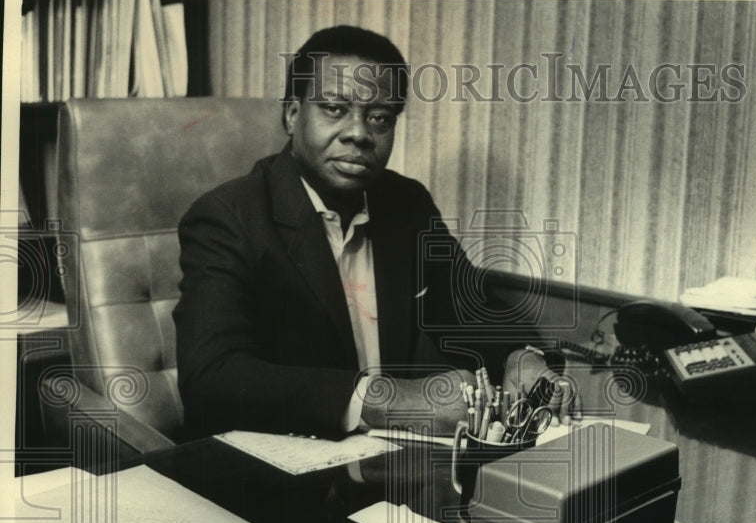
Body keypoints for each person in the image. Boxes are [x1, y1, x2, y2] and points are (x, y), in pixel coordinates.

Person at [174, 25, 564, 440]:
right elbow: (211, 379)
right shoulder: (227, 216)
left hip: (386, 468)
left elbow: (472, 306)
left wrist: (521, 357)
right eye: (335, 109)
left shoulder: (406, 203)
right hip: (273, 471)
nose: (359, 133)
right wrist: (384, 401)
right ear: (291, 115)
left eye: (379, 117)